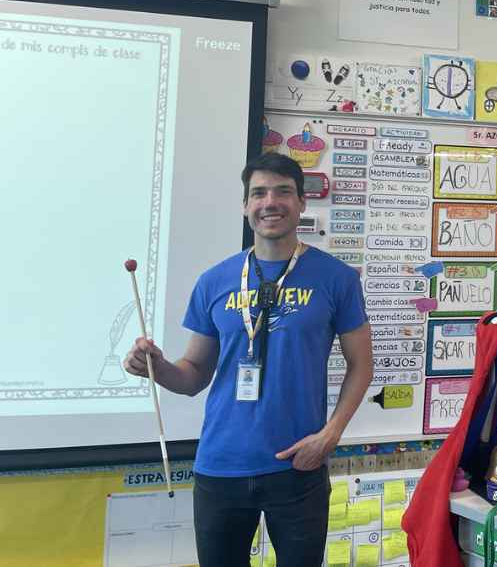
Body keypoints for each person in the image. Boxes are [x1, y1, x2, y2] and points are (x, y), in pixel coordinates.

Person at [123, 153, 372, 566]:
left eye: (283, 192)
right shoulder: (214, 281)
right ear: (244, 205)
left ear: (301, 203)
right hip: (221, 467)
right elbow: (194, 374)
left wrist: (330, 436)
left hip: (299, 467)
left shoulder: (337, 278)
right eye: (258, 193)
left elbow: (361, 364)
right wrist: (156, 367)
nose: (270, 202)